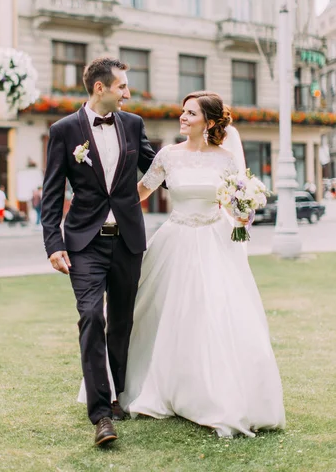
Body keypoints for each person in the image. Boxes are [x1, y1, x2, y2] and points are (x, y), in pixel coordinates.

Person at [118, 91, 286, 438]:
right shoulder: (168, 156)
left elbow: (238, 208)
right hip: (175, 240)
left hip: (215, 240)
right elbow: (141, 192)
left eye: (190, 113)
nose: (182, 117)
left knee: (214, 313)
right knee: (161, 312)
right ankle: (161, 383)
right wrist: (102, 203)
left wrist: (244, 206)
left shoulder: (226, 159)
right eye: (182, 111)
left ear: (208, 123)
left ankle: (213, 393)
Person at [41, 56, 158, 447]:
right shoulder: (63, 130)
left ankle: (119, 394)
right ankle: (101, 414)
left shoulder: (133, 124)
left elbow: (157, 167)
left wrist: (201, 167)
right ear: (100, 88)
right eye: (123, 86)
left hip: (127, 241)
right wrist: (53, 244)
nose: (128, 92)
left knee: (121, 321)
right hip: (84, 243)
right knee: (91, 316)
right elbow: (53, 192)